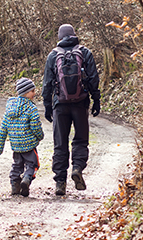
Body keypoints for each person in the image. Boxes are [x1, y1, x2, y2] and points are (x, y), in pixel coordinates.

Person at [41, 24, 100, 196]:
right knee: (81, 140)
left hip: (60, 104)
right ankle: (77, 168)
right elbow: (93, 78)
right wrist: (96, 99)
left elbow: (47, 83)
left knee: (60, 143)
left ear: (59, 37)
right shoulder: (84, 52)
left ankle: (60, 182)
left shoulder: (53, 55)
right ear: (74, 35)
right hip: (81, 102)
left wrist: (47, 105)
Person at [0, 78, 44, 197]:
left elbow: (3, 129)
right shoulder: (31, 108)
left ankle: (15, 185)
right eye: (32, 91)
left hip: (16, 145)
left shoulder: (9, 109)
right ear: (26, 93)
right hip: (29, 145)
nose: (34, 93)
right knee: (32, 164)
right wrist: (40, 136)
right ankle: (26, 179)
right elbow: (35, 126)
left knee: (17, 165)